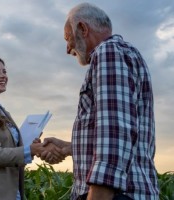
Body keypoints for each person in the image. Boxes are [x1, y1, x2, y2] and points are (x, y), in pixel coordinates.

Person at [40, 2, 159, 200]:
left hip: (114, 194)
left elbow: (115, 130)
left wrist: (99, 193)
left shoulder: (108, 53)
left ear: (83, 29)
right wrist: (71, 147)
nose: (68, 49)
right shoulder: (123, 53)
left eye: (68, 39)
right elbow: (122, 130)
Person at [0, 55, 63, 200]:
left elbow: (10, 151)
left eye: (4, 71)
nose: (3, 76)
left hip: (11, 191)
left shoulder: (3, 112)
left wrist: (31, 146)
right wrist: (29, 150)